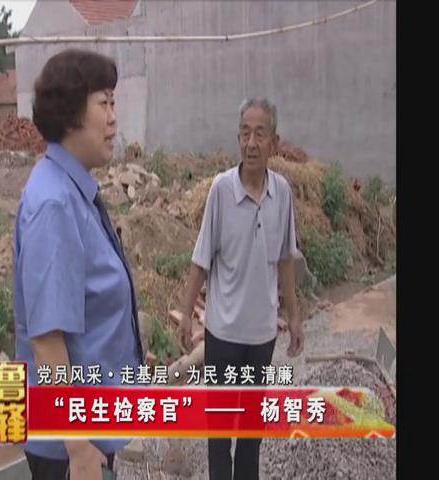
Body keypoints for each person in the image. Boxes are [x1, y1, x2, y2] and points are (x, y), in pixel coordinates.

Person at [12, 48, 143, 480]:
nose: (114, 119)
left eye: (114, 103)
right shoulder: (54, 203)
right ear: (70, 116)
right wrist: (79, 446)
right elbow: (47, 337)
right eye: (104, 103)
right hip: (68, 447)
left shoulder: (72, 189)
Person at [177, 98, 305, 480]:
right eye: (245, 133)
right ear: (238, 139)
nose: (251, 143)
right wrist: (185, 314)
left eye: (259, 134)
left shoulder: (282, 193)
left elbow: (285, 260)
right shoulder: (221, 190)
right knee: (219, 435)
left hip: (261, 335)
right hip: (223, 334)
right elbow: (201, 260)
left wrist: (294, 316)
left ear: (274, 142)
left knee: (251, 436)